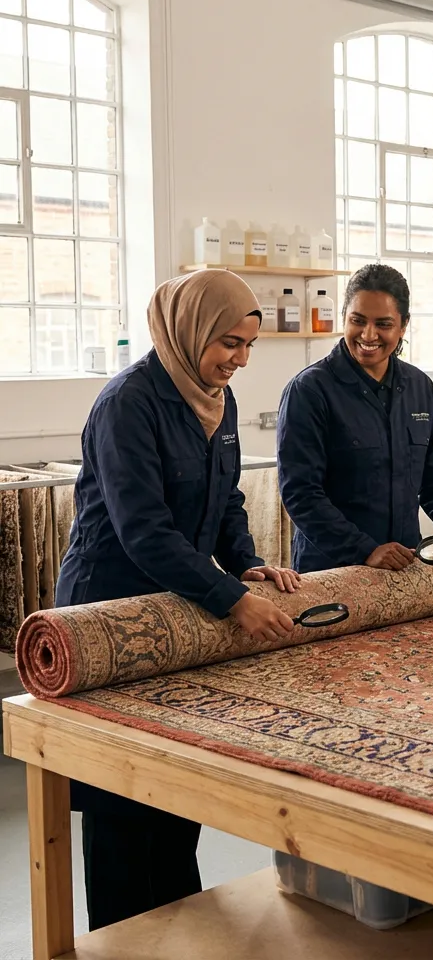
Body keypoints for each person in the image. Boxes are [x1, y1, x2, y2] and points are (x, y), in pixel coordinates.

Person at [56, 268, 301, 931]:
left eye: (248, 346)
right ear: (190, 330)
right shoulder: (128, 404)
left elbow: (226, 499)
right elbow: (143, 529)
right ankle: (121, 938)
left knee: (173, 782)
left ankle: (178, 928)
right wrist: (231, 599)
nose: (239, 359)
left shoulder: (216, 401)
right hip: (107, 612)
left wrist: (246, 564)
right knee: (119, 796)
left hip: (175, 605)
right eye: (229, 343)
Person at [277, 263, 433, 574]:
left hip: (405, 563)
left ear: (403, 325)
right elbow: (301, 494)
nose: (368, 335)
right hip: (331, 569)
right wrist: (365, 550)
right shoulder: (309, 391)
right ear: (344, 316)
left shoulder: (419, 387)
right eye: (357, 320)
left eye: (383, 324)